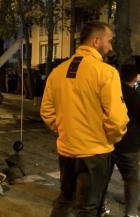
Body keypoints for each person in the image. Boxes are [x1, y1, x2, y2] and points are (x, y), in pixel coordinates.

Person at [40, 21, 129, 217]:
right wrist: (110, 138)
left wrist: (65, 130)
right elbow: (117, 119)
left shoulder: (58, 72)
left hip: (67, 149)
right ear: (96, 41)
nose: (111, 46)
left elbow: (46, 111)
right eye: (109, 41)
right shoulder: (106, 73)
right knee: (88, 207)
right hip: (94, 152)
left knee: (65, 199)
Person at [100, 64, 139, 217]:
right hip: (129, 144)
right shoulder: (135, 96)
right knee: (132, 179)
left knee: (103, 178)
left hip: (108, 142)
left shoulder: (110, 92)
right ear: (135, 77)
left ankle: (100, 206)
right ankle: (131, 212)